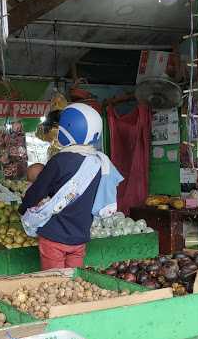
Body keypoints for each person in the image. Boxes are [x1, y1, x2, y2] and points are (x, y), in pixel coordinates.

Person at [20, 103, 123, 270]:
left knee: (54, 284)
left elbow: (38, 191)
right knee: (74, 282)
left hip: (54, 236)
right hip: (79, 237)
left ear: (67, 129)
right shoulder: (99, 162)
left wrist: (23, 207)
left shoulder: (60, 161)